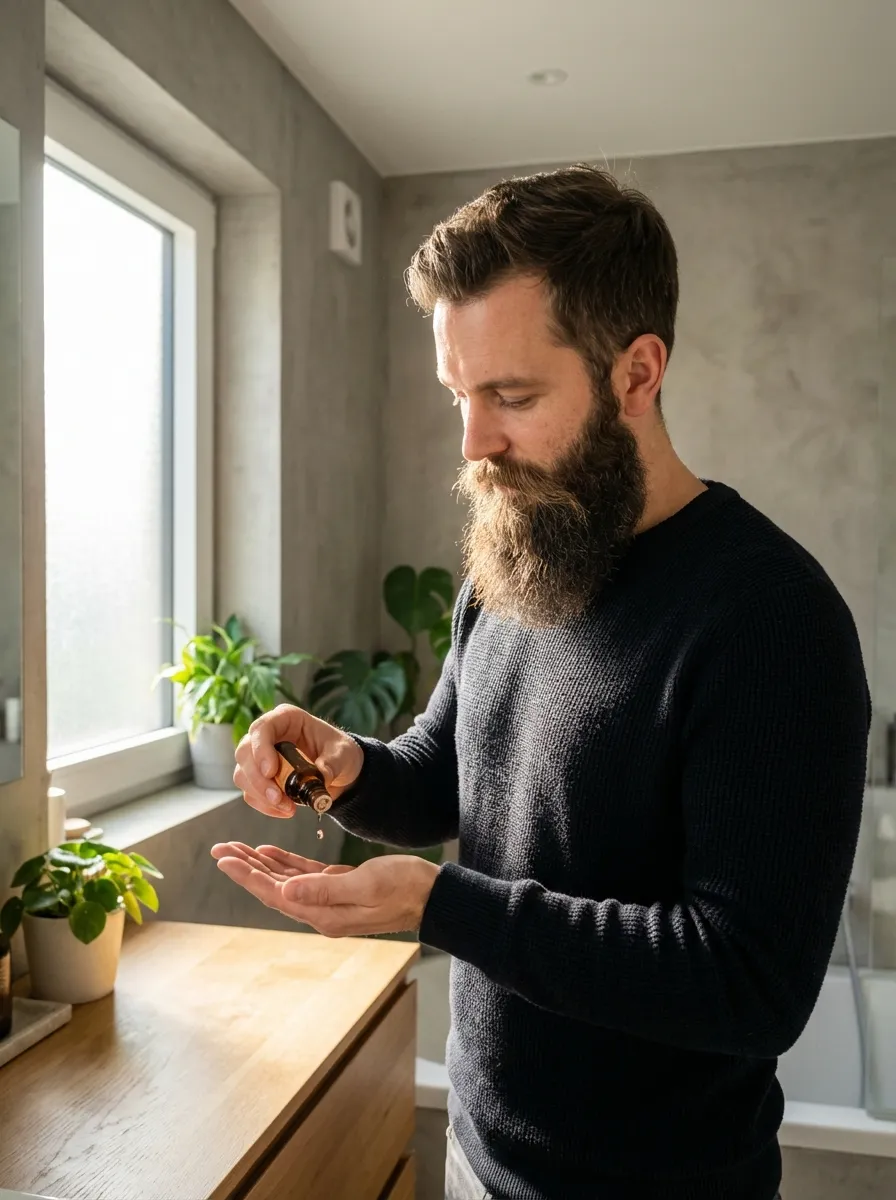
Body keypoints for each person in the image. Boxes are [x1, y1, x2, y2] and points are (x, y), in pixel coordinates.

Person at [212, 164, 870, 1200]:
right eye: (458, 395)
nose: (474, 444)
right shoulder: (516, 557)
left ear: (636, 373)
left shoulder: (769, 621)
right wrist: (344, 768)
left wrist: (441, 905)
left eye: (511, 396)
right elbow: (447, 774)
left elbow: (745, 983)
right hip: (478, 1159)